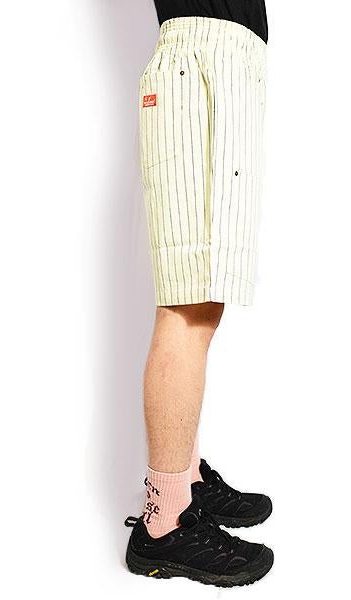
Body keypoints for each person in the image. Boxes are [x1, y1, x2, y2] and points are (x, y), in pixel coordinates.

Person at [124, 1, 273, 587]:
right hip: (201, 65)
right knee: (187, 305)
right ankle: (164, 523)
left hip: (225, 66)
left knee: (204, 300)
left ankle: (183, 481)